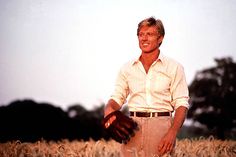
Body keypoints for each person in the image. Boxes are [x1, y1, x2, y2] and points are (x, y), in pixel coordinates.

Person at [104, 16, 189, 157]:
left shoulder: (174, 67)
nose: (144, 38)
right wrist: (108, 110)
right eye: (141, 34)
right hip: (132, 130)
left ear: (160, 38)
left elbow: (182, 103)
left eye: (149, 34)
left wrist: (172, 132)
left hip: (161, 128)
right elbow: (116, 98)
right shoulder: (127, 68)